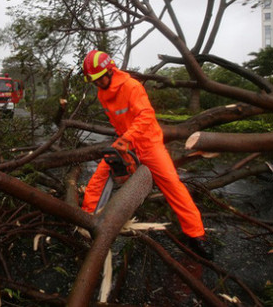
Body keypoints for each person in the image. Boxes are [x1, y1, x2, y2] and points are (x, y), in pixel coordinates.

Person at [81, 50, 213, 260]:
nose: (97, 84)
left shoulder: (131, 87)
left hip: (148, 142)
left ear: (110, 70)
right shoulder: (102, 93)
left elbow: (145, 116)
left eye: (99, 79)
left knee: (172, 184)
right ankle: (86, 221)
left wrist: (128, 139)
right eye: (93, 81)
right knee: (100, 175)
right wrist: (123, 142)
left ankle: (196, 235)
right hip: (126, 142)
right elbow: (119, 122)